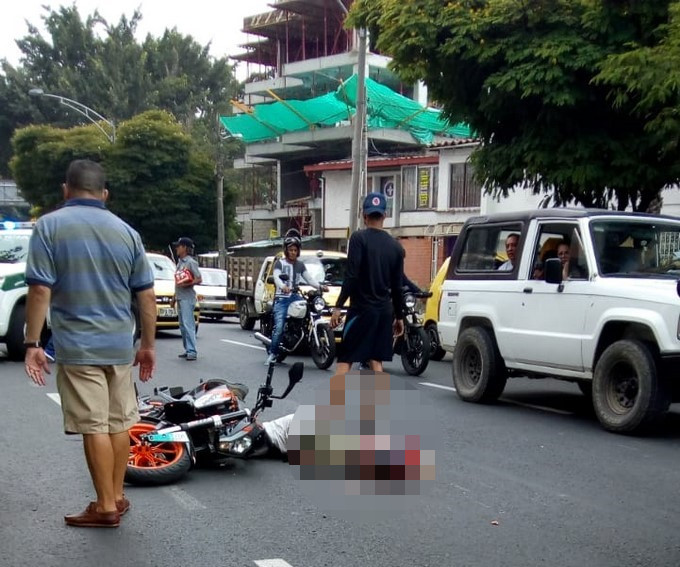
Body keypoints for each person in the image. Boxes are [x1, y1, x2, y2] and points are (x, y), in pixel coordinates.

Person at [23, 159, 156, 529]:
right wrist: (147, 345)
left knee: (94, 425)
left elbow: (39, 290)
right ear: (105, 194)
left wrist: (32, 342)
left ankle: (105, 507)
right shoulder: (127, 232)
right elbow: (146, 296)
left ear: (66, 190)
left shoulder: (49, 227)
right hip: (120, 346)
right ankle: (117, 496)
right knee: (119, 422)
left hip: (78, 347)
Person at [330, 192, 405, 375]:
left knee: (346, 358)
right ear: (385, 216)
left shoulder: (358, 238)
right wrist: (399, 316)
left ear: (364, 216)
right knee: (375, 359)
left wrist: (338, 306)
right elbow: (398, 287)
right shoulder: (396, 247)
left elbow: (351, 275)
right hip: (384, 312)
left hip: (361, 310)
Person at [265, 228, 327, 365]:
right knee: (279, 327)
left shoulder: (300, 265)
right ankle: (273, 354)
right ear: (286, 250)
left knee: (310, 308)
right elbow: (277, 277)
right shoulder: (280, 263)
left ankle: (303, 332)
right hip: (282, 298)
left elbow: (309, 279)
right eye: (290, 250)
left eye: (295, 250)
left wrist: (320, 287)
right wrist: (283, 286)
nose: (293, 252)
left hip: (295, 296)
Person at [173, 237, 202, 361]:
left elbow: (199, 279)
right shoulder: (180, 262)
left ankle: (192, 351)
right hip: (180, 297)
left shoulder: (190, 262)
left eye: (179, 246)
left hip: (187, 298)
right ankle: (187, 349)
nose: (177, 248)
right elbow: (178, 282)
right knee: (182, 325)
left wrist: (188, 283)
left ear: (184, 248)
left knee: (188, 324)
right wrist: (174, 298)